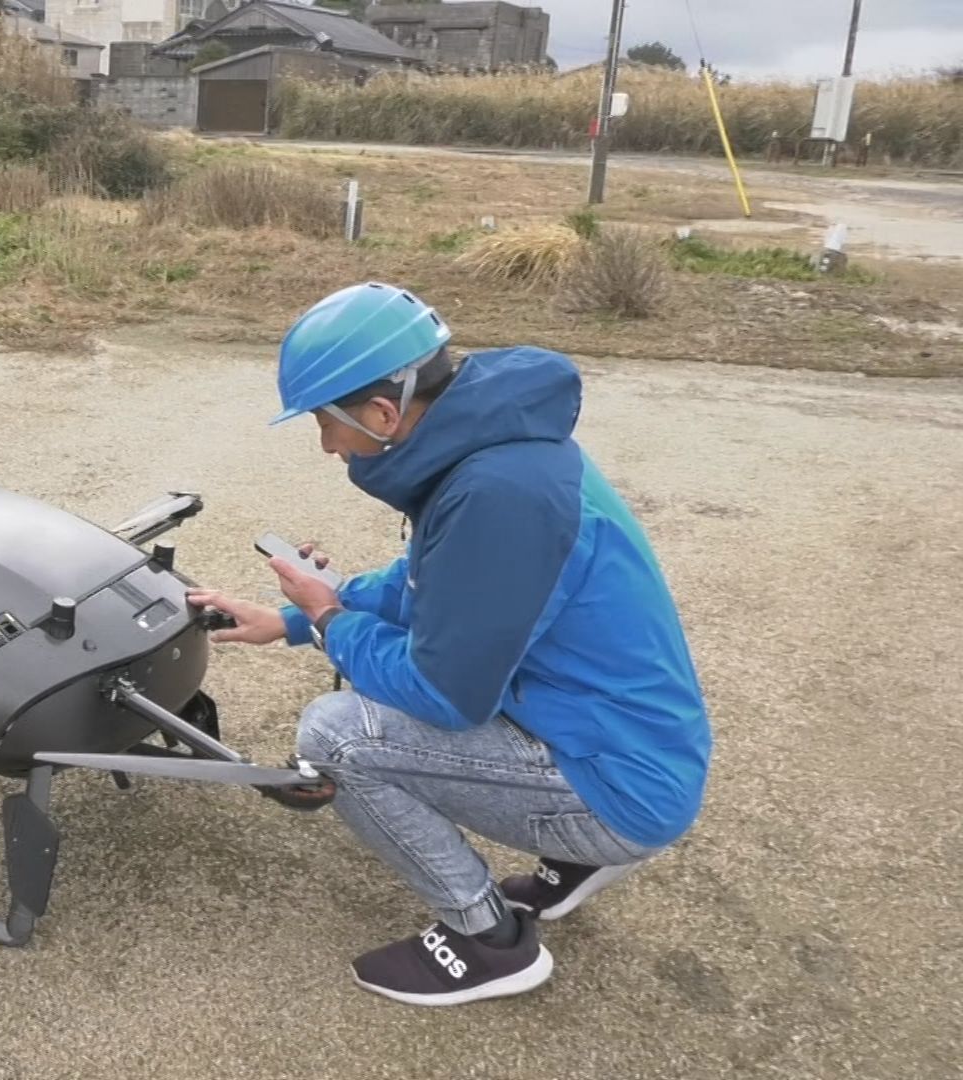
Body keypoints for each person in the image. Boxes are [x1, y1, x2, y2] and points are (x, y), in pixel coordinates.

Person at [187, 281, 711, 1007]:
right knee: (372, 678)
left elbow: (445, 694)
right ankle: (572, 866)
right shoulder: (502, 450)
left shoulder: (500, 496)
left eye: (323, 423)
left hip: (618, 785)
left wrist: (336, 621)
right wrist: (296, 619)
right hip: (625, 740)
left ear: (382, 412)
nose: (326, 446)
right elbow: (432, 587)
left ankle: (487, 942)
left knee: (336, 736)